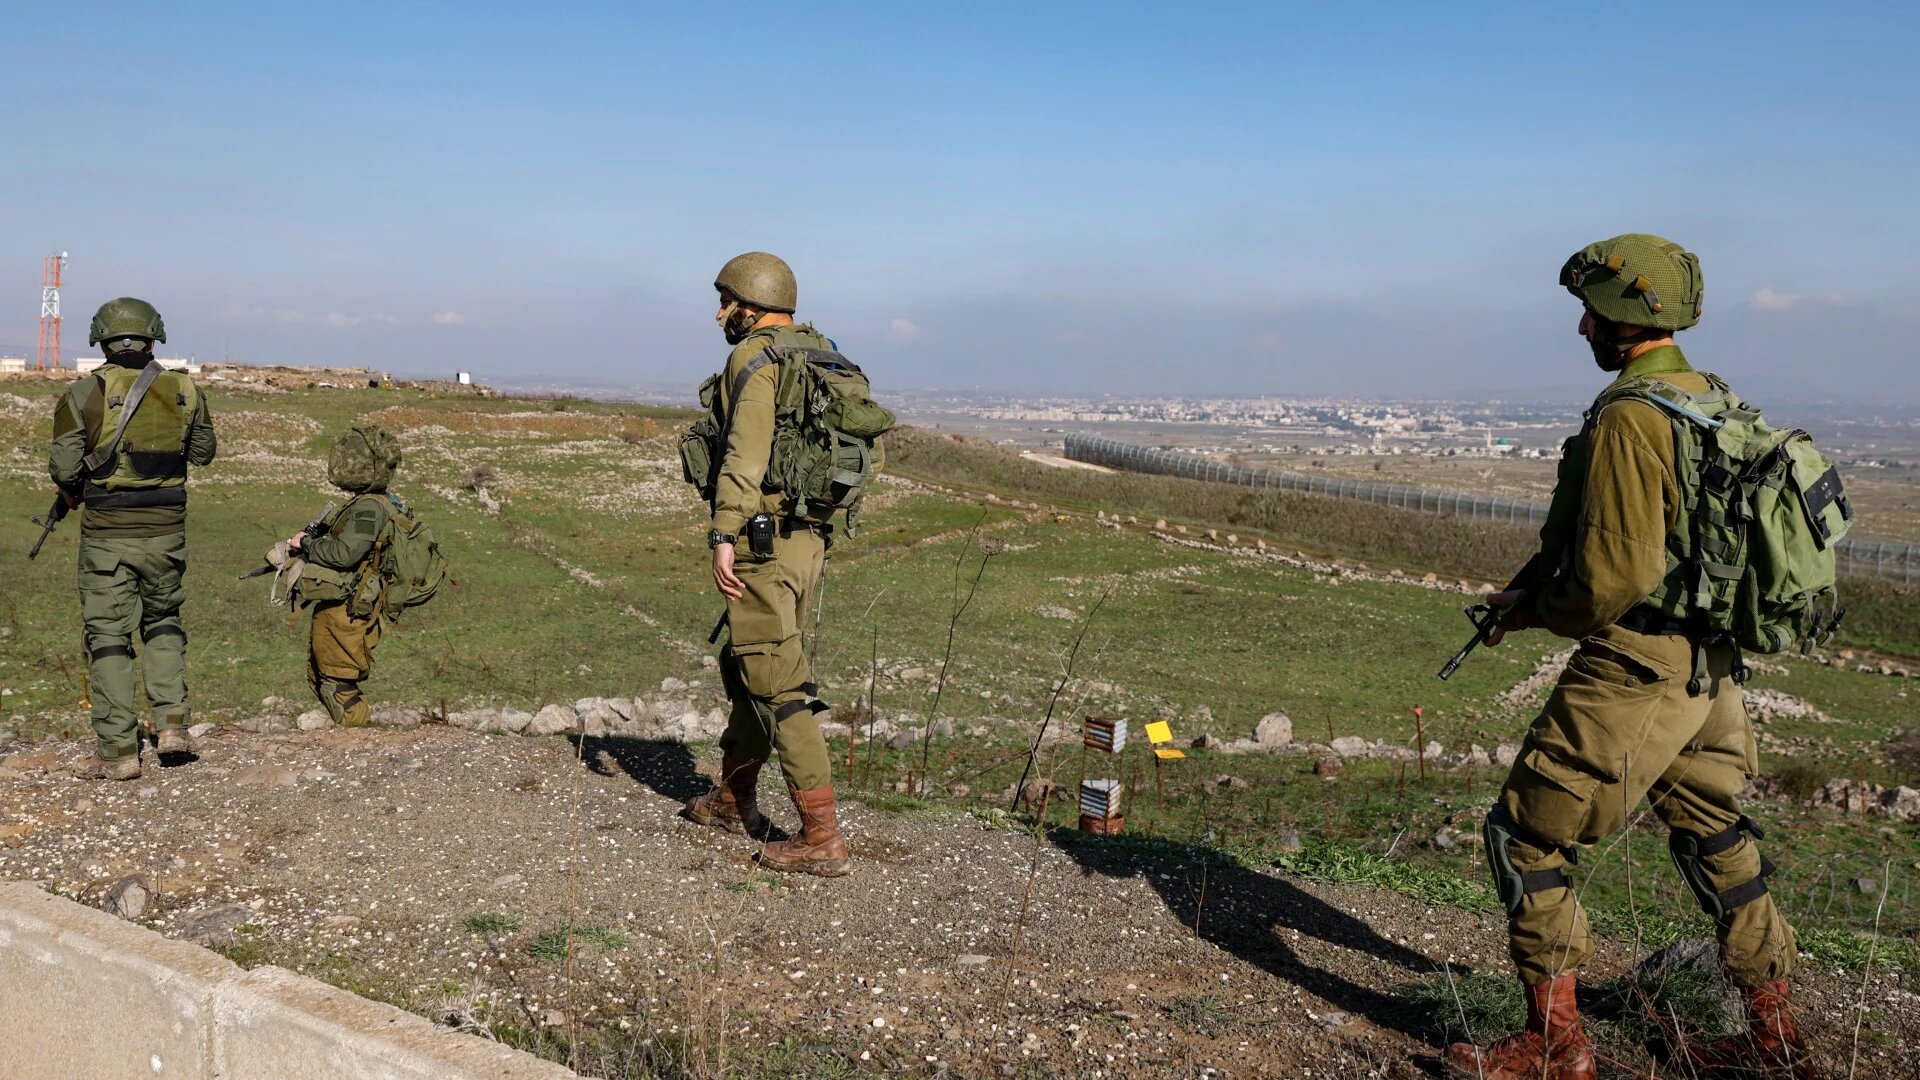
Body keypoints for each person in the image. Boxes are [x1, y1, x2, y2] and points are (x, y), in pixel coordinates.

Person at [1448, 235, 1808, 1080]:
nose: (1581, 328)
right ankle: (1775, 1034)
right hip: (1705, 667)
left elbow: (1613, 576)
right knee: (1716, 832)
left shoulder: (1630, 416)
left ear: (1631, 319)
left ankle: (1554, 1046)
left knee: (1527, 836)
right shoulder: (1706, 397)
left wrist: (1535, 610)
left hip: (1636, 664)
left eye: (1595, 313)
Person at [680, 252, 852, 877]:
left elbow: (744, 456)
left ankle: (820, 838)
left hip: (760, 540)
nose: (719, 313)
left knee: (777, 683)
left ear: (748, 305)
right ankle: (733, 799)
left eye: (725, 301)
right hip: (806, 542)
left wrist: (724, 533)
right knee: (749, 662)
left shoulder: (752, 357)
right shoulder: (818, 349)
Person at [49, 298, 216, 779]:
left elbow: (63, 467)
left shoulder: (83, 393)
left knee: (107, 638)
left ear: (101, 339)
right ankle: (172, 728)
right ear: (152, 337)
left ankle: (119, 752)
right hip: (167, 534)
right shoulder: (185, 388)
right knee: (163, 621)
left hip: (106, 537)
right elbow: (203, 452)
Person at [287, 424, 406, 728]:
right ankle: (355, 741)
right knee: (323, 676)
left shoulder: (368, 508)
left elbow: (345, 554)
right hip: (344, 604)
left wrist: (308, 544)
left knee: (338, 685)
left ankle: (359, 744)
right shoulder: (378, 501)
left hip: (347, 608)